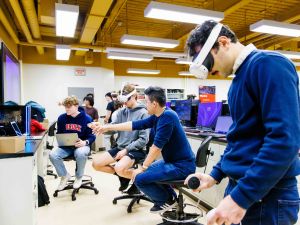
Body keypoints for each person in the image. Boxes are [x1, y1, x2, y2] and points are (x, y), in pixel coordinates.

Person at [184, 20, 300, 225]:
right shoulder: (237, 81)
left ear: (224, 42)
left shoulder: (268, 64)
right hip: (245, 187)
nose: (208, 71)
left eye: (208, 63)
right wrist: (215, 175)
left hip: (267, 194)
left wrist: (241, 198)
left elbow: (284, 141)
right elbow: (239, 138)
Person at [90, 86, 196, 214]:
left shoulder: (167, 117)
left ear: (154, 103)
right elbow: (134, 125)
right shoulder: (159, 115)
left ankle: (165, 201)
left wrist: (143, 168)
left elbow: (156, 148)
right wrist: (106, 127)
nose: (145, 105)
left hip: (182, 166)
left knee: (140, 178)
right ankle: (171, 199)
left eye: (146, 101)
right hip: (172, 161)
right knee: (148, 172)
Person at [92, 84, 149, 193]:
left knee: (119, 168)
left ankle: (139, 180)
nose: (124, 103)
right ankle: (125, 177)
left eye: (126, 100)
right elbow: (114, 127)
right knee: (96, 164)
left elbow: (143, 140)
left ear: (134, 96)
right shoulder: (122, 112)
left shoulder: (143, 113)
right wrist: (102, 128)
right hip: (120, 147)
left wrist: (126, 150)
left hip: (136, 149)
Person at [49, 96, 96, 190]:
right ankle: (64, 176)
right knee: (52, 154)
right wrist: (61, 141)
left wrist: (85, 142)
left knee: (80, 153)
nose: (66, 109)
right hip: (66, 147)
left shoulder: (87, 119)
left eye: (69, 107)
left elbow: (92, 136)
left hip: (82, 145)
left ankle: (79, 177)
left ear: (76, 106)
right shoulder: (62, 118)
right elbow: (59, 133)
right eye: (65, 107)